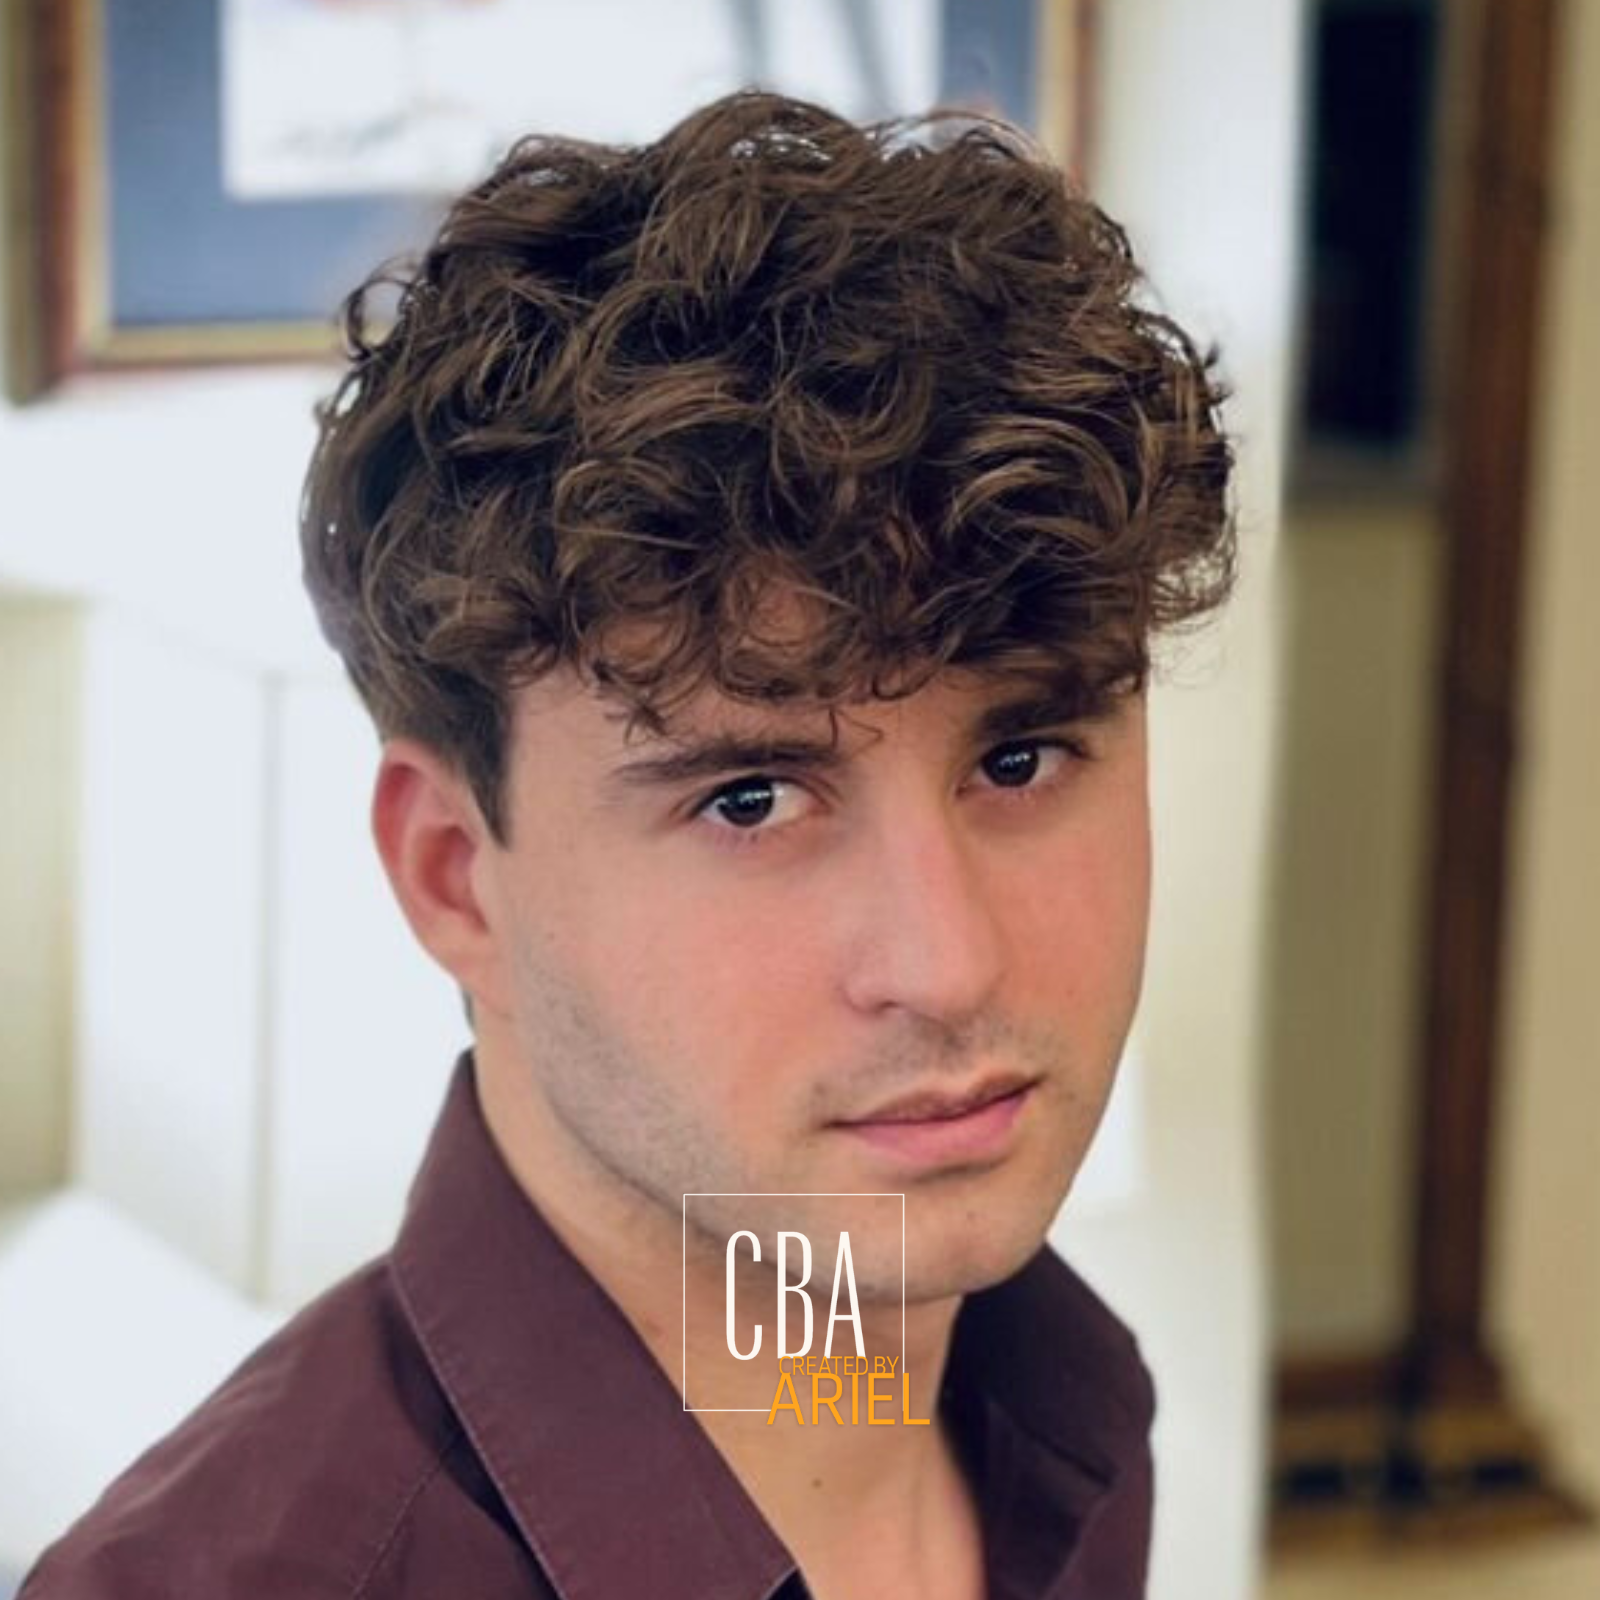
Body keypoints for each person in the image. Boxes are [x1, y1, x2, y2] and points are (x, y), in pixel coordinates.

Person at [20, 89, 1233, 1600]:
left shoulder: (1051, 1407)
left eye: (1021, 755)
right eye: (750, 800)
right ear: (454, 873)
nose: (948, 960)